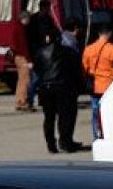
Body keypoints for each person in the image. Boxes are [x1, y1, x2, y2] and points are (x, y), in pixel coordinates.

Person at [34, 17, 83, 154]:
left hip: (46, 88)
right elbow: (76, 71)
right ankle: (66, 142)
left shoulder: (40, 53)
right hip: (63, 88)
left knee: (49, 118)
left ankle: (51, 144)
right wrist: (79, 87)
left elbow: (38, 70)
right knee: (65, 116)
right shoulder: (68, 52)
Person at [81, 22, 113, 140]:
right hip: (110, 87)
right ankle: (111, 137)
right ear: (109, 34)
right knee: (110, 114)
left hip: (95, 87)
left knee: (96, 115)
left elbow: (85, 68)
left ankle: (97, 137)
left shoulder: (88, 49)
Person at [12, 11, 34, 111]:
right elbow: (23, 46)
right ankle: (22, 102)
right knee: (25, 80)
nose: (29, 21)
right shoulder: (21, 29)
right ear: (24, 18)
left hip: (17, 57)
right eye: (29, 19)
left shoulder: (16, 27)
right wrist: (29, 60)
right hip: (22, 57)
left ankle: (19, 100)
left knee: (21, 80)